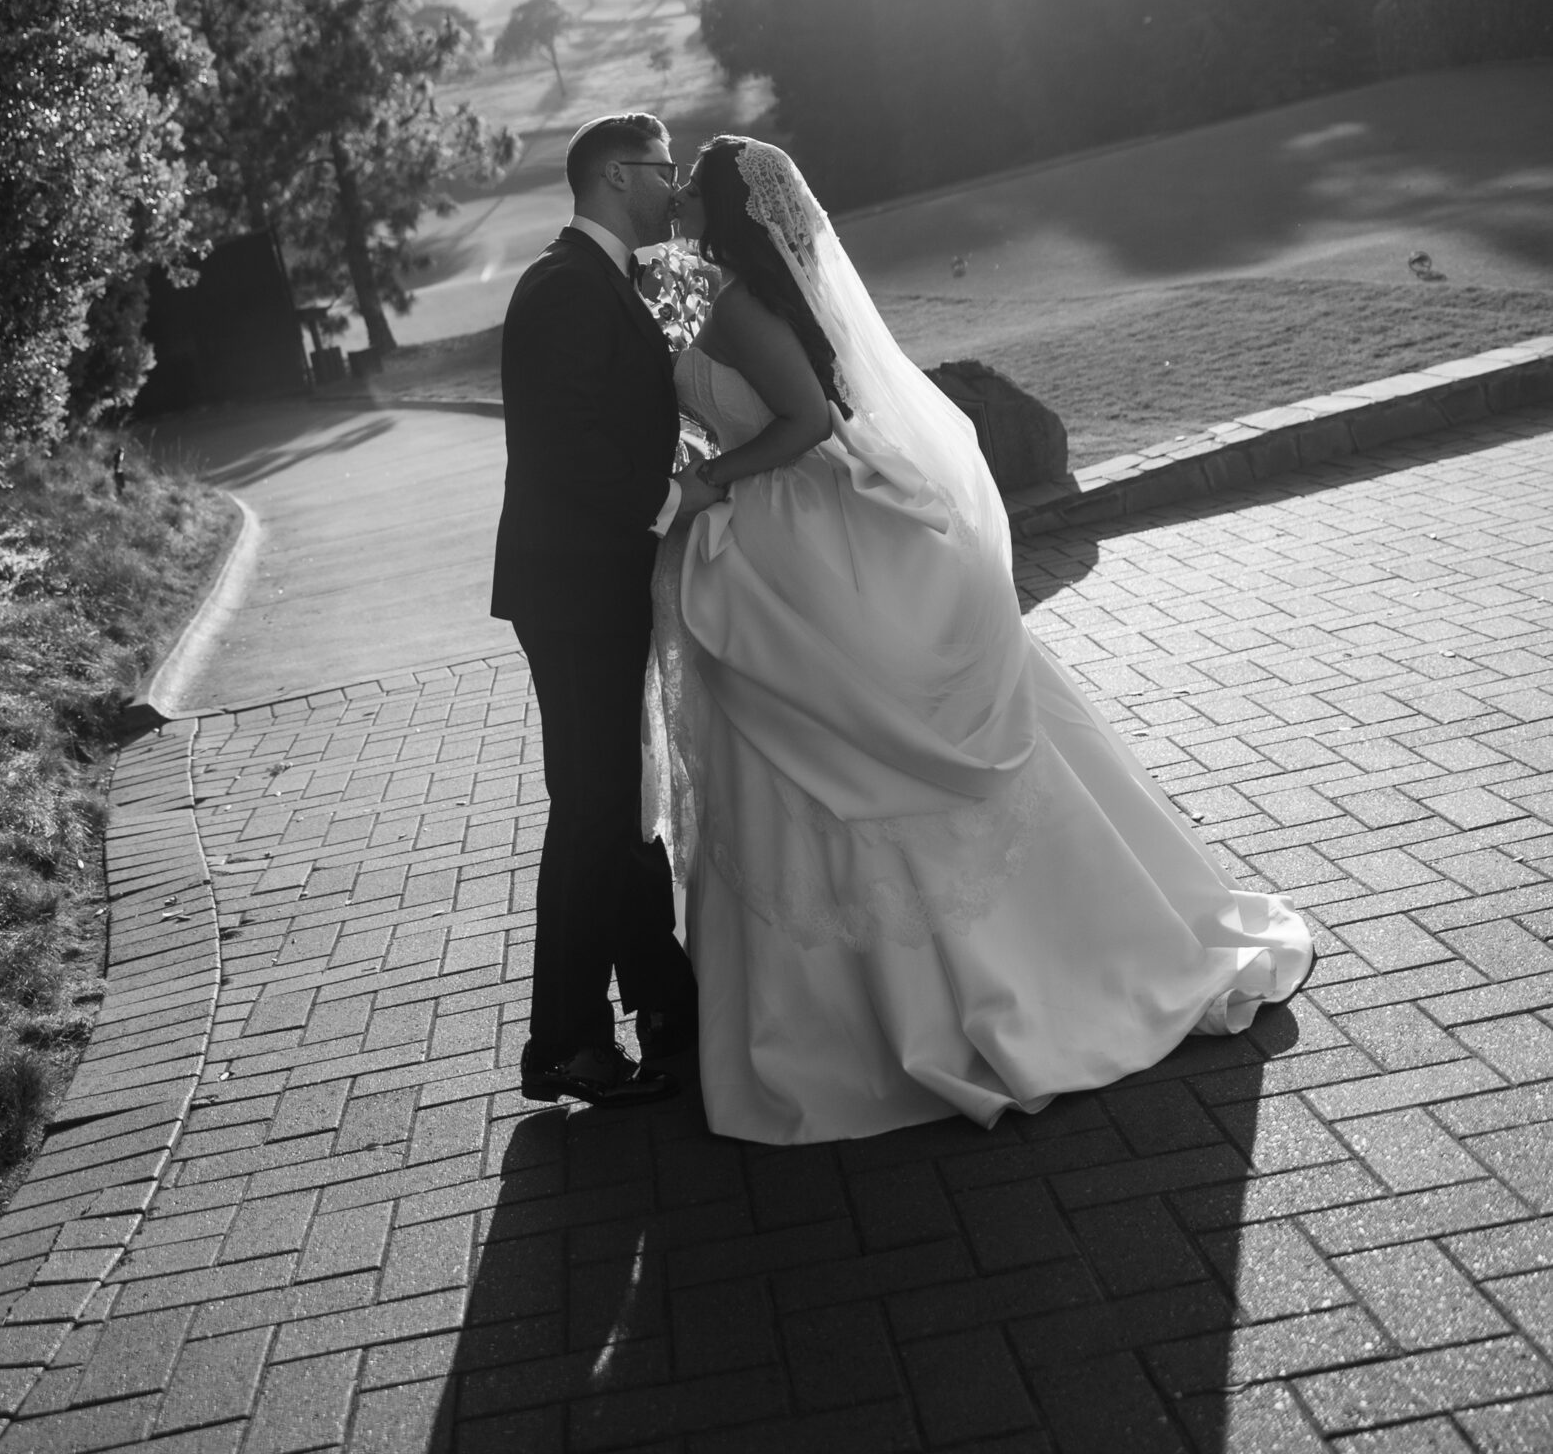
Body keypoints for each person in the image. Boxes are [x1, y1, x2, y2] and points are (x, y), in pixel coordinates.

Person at [646, 134, 1314, 1145]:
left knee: (838, 735)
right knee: (804, 738)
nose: (680, 191)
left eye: (695, 179)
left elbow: (809, 421)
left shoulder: (740, 304)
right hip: (789, 536)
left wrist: (708, 481)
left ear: (730, 206)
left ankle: (936, 997)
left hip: (793, 527)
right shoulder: (730, 290)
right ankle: (882, 994)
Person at [491, 110, 721, 1105]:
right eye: (665, 169)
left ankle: (665, 1003)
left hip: (596, 577)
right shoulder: (563, 288)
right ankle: (565, 1041)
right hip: (575, 587)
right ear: (620, 174)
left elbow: (608, 425)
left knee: (616, 804)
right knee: (591, 810)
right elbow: (564, 446)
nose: (674, 187)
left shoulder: (599, 281)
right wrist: (675, 499)